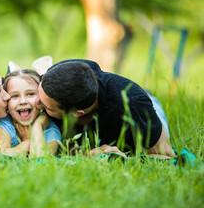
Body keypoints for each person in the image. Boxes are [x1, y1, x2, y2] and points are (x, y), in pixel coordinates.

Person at [35, 59, 176, 158]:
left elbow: (167, 156)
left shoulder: (133, 105)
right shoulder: (59, 73)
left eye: (46, 107)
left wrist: (123, 158)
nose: (36, 104)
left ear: (76, 114)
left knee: (149, 107)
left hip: (142, 106)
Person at [0, 69, 61, 157]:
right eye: (14, 96)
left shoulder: (51, 131)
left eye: (30, 94)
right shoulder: (6, 123)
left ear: (41, 98)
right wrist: (28, 140)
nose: (23, 101)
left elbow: (41, 160)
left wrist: (37, 126)